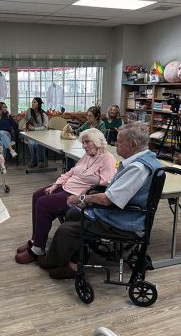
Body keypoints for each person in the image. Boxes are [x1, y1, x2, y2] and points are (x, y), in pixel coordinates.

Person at [38, 122, 162, 279]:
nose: (115, 144)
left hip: (123, 222)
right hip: (127, 214)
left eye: (119, 141)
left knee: (67, 229)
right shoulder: (148, 159)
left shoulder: (137, 168)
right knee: (72, 214)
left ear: (133, 144)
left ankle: (53, 261)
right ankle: (74, 263)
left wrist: (81, 198)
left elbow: (107, 200)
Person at [15, 128, 117, 264]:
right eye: (83, 143)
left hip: (77, 195)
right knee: (37, 195)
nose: (84, 146)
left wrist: (84, 196)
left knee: (43, 204)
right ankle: (35, 240)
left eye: (87, 142)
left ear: (97, 142)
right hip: (66, 187)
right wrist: (54, 185)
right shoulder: (87, 155)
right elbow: (71, 172)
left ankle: (38, 248)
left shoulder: (107, 159)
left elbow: (104, 186)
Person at [26, 97, 49, 168]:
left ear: (39, 104)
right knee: (32, 144)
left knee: (38, 144)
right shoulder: (29, 111)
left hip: (41, 135)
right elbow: (27, 121)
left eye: (35, 102)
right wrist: (28, 126)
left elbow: (45, 127)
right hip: (31, 134)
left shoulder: (43, 114)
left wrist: (34, 129)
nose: (33, 103)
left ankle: (42, 161)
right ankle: (34, 161)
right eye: (32, 102)